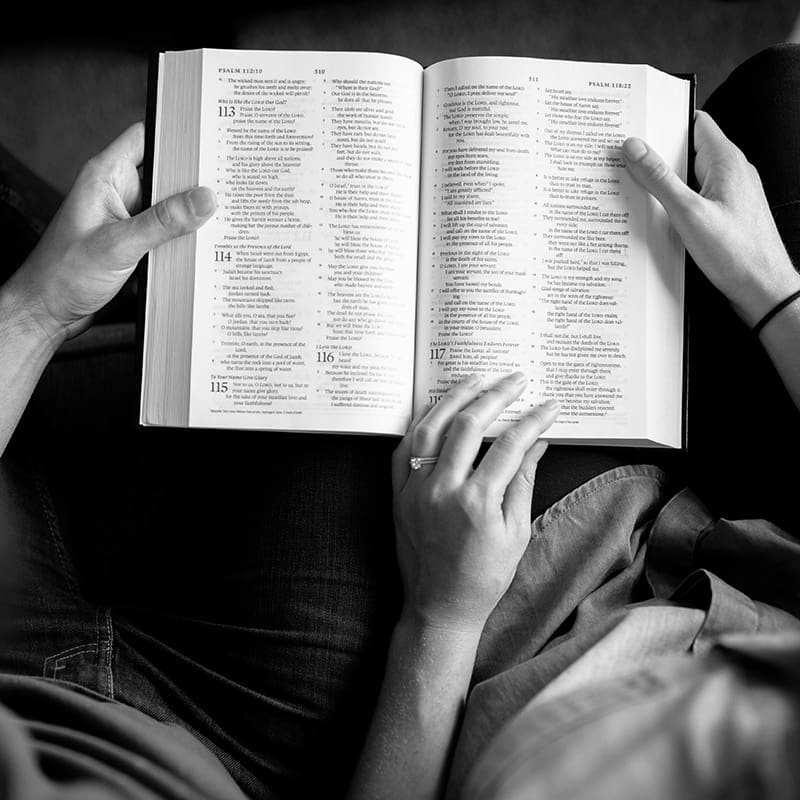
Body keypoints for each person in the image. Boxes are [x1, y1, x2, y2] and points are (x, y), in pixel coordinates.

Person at [1, 43, 800, 800]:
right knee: (779, 97)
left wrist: (441, 618)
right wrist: (770, 290)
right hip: (663, 539)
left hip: (446, 643)